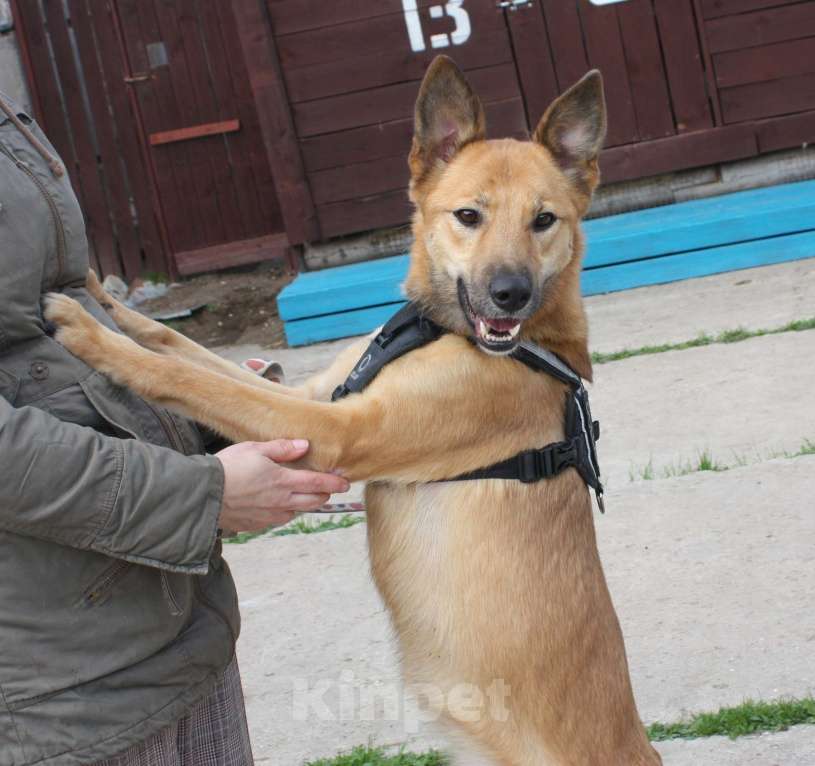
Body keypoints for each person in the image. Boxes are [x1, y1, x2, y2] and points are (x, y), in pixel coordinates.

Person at [0, 90, 349, 765]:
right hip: (63, 689)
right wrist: (205, 495)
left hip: (169, 623)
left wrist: (217, 408)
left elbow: (66, 325)